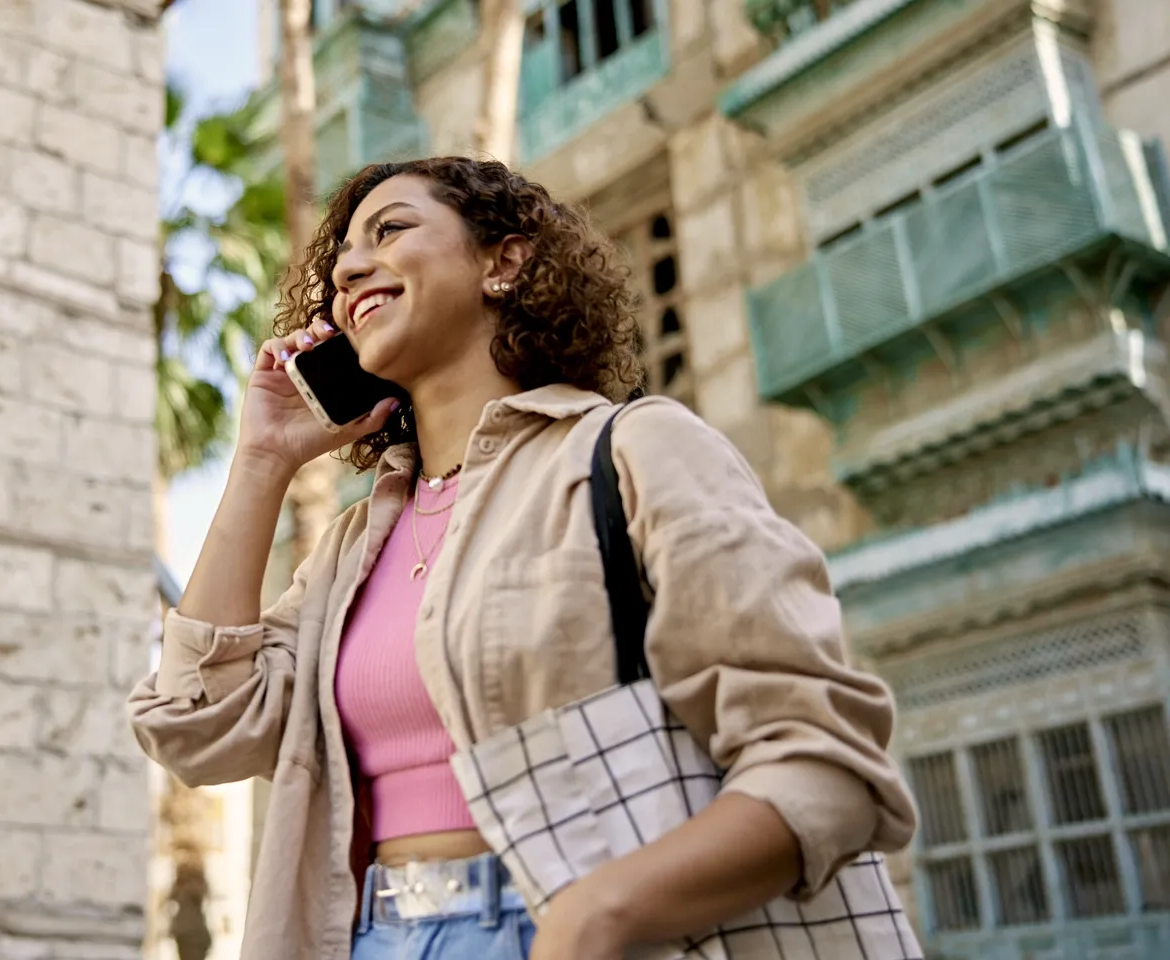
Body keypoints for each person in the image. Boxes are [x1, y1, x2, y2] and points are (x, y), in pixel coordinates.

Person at [129, 157, 917, 960]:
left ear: (503, 263)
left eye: (390, 229)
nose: (347, 269)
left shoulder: (631, 451)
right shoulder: (349, 552)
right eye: (338, 264)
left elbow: (825, 765)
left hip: (579, 932)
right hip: (371, 936)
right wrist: (263, 461)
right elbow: (199, 726)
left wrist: (599, 916)